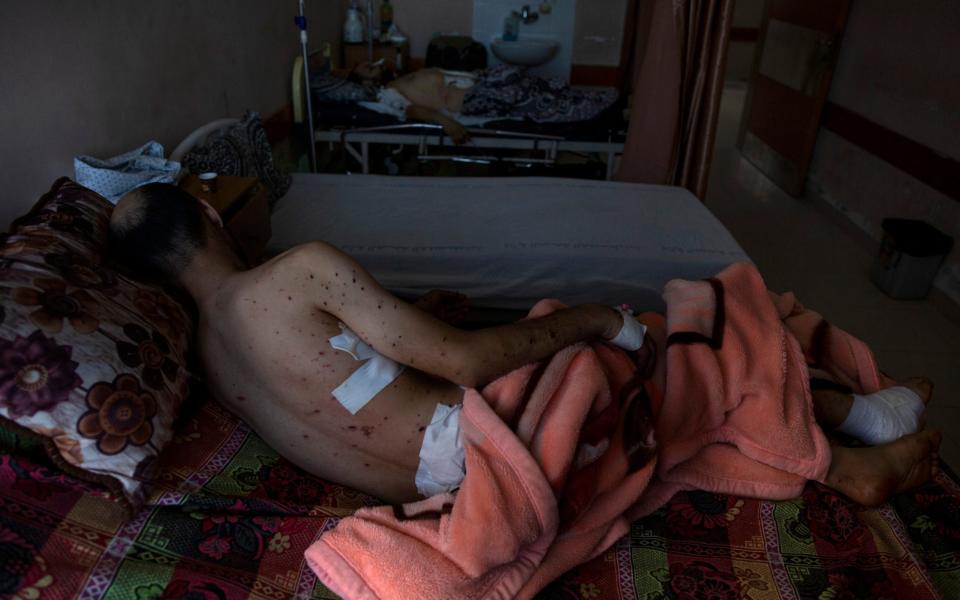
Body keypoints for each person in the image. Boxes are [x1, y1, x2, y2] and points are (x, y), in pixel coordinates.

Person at [108, 183, 941, 507]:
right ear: (214, 216)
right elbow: (468, 365)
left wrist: (413, 310)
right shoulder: (296, 270)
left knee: (647, 373)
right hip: (480, 443)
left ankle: (837, 417)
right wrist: (590, 318)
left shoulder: (205, 355)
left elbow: (335, 381)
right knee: (677, 331)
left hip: (424, 476)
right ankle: (841, 448)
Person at [348, 62, 619, 144]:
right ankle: (605, 110)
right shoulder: (387, 95)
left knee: (544, 86)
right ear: (367, 85)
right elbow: (412, 111)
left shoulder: (397, 78)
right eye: (368, 70)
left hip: (481, 82)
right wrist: (448, 124)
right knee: (538, 99)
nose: (374, 66)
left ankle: (606, 104)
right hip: (475, 98)